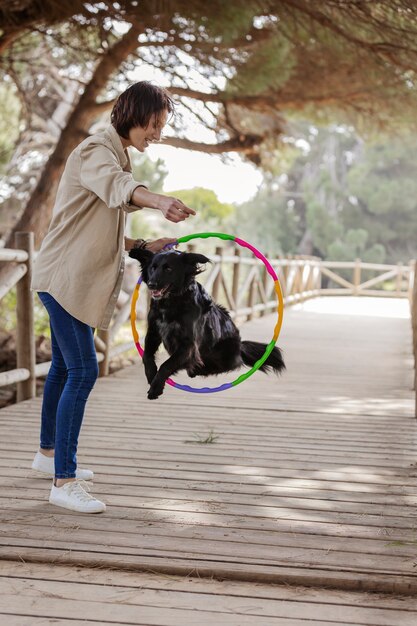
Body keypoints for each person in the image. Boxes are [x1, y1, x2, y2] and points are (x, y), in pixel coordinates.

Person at [30, 81, 195, 513]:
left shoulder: (113, 153)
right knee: (83, 371)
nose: (157, 133)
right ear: (134, 114)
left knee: (66, 368)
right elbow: (119, 185)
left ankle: (48, 456)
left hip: (69, 277)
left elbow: (98, 227)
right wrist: (159, 200)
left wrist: (145, 244)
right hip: (64, 279)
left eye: (162, 125)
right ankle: (63, 481)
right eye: (154, 123)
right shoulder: (95, 151)